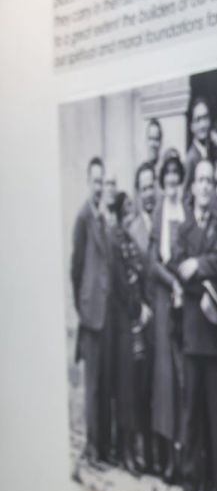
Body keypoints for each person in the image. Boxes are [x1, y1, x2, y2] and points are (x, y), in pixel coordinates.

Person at [174, 159, 217, 491]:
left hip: (215, 333)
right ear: (193, 187)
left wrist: (198, 264)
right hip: (192, 331)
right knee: (192, 412)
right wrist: (197, 268)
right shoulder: (184, 229)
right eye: (201, 180)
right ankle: (190, 481)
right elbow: (178, 268)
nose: (207, 186)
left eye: (211, 180)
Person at [147, 155, 189, 480]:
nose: (172, 180)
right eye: (168, 175)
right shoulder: (159, 212)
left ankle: (186, 456)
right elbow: (152, 262)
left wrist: (183, 285)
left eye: (176, 174)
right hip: (164, 301)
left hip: (186, 304)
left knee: (184, 378)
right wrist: (172, 282)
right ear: (163, 181)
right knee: (166, 383)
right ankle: (168, 459)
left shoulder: (187, 209)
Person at [71, 156, 113, 465]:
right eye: (95, 181)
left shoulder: (103, 218)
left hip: (106, 314)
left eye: (102, 181)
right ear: (88, 182)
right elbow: (75, 269)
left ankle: (104, 449)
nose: (99, 187)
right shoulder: (84, 218)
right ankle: (93, 448)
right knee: (94, 386)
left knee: (105, 385)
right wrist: (83, 307)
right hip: (91, 315)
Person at [109, 189, 152, 473]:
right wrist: (138, 309)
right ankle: (125, 452)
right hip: (124, 322)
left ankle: (134, 450)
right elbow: (120, 284)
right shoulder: (115, 241)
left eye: (130, 212)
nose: (128, 216)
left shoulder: (129, 240)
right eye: (124, 212)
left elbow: (139, 275)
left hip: (136, 324)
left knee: (136, 386)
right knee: (125, 389)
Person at [185, 96, 215, 186]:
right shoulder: (191, 159)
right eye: (198, 120)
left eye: (205, 118)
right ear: (191, 126)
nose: (202, 125)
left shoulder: (213, 152)